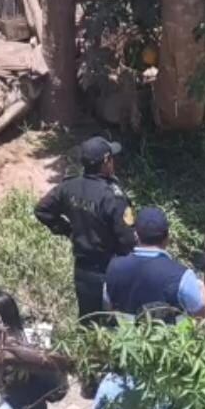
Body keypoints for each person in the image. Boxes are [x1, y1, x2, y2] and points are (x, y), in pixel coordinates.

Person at [34, 136, 136, 325]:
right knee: (115, 325)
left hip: (82, 269)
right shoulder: (112, 196)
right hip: (110, 269)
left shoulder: (68, 187)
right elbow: (128, 240)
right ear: (106, 161)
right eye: (112, 158)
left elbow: (42, 210)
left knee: (88, 324)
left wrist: (68, 231)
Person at [104, 207, 205, 321]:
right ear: (167, 238)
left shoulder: (113, 267)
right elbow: (200, 311)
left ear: (136, 235)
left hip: (124, 331)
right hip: (168, 332)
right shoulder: (182, 276)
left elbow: (108, 304)